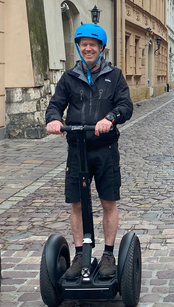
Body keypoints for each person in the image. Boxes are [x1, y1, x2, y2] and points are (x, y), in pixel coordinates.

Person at [45, 24, 133, 279]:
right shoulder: (69, 77)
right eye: (83, 44)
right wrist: (52, 119)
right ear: (78, 47)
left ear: (101, 48)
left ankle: (107, 254)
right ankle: (81, 254)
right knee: (77, 203)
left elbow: (125, 105)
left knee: (108, 201)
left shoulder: (114, 75)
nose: (88, 48)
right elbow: (55, 105)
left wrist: (111, 117)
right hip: (77, 148)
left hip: (104, 148)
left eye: (93, 44)